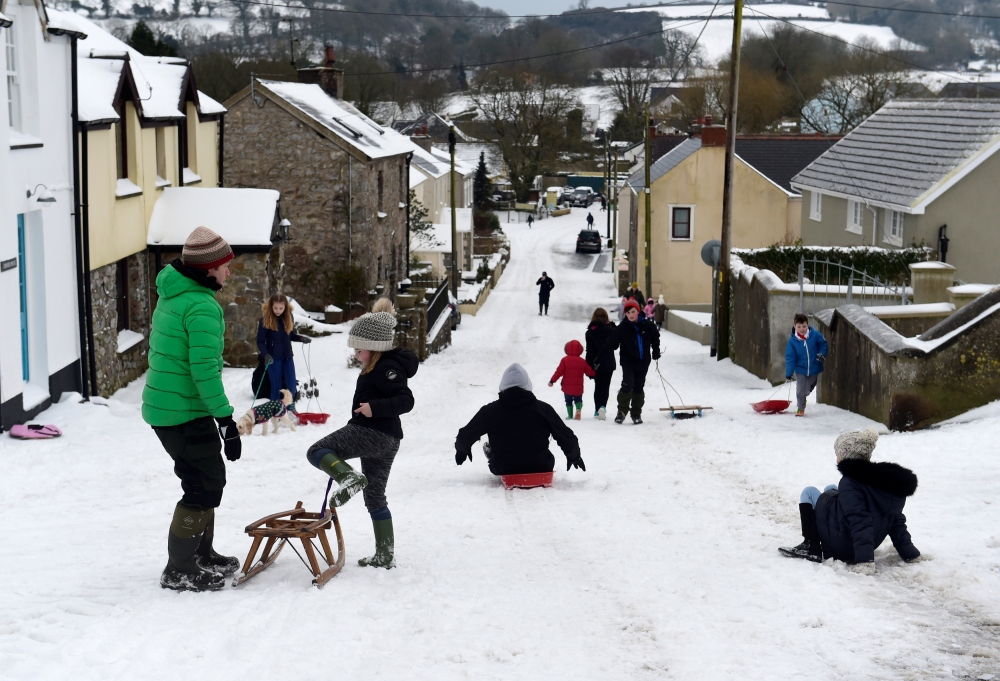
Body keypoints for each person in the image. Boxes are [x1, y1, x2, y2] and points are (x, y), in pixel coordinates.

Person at [142, 226, 242, 592]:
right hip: (182, 411)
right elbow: (204, 370)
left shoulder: (175, 293)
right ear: (207, 269)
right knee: (202, 485)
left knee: (205, 480)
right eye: (224, 266)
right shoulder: (201, 305)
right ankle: (180, 568)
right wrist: (226, 419)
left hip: (171, 408)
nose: (228, 272)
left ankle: (201, 554)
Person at [306, 302, 418, 569]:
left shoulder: (386, 368)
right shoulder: (379, 366)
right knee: (376, 497)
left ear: (376, 347)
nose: (356, 354)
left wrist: (373, 408)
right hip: (387, 441)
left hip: (371, 432)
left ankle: (348, 477)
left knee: (316, 451)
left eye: (359, 349)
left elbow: (406, 400)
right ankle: (384, 555)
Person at [779, 429, 919, 570]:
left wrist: (865, 561)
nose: (836, 459)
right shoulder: (884, 484)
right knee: (831, 488)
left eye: (838, 454)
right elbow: (896, 522)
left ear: (847, 456)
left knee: (809, 492)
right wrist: (910, 554)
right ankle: (817, 543)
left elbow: (860, 520)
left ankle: (811, 546)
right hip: (865, 543)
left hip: (843, 546)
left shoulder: (850, 482)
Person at [455, 364, 585, 475]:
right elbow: (565, 435)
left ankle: (495, 454)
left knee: (492, 447)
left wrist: (462, 450)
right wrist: (574, 456)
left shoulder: (490, 411)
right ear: (527, 385)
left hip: (503, 467)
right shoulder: (543, 409)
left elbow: (466, 434)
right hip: (541, 465)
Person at [604, 299, 660, 425]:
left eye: (633, 311)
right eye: (628, 312)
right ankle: (622, 412)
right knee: (628, 384)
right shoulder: (622, 328)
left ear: (638, 311)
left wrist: (656, 351)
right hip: (628, 361)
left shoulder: (648, 325)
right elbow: (612, 344)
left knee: (639, 386)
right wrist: (611, 332)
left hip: (643, 361)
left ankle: (636, 413)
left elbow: (655, 338)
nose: (630, 314)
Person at [256, 294, 311, 402]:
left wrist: (300, 338)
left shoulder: (288, 317)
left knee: (292, 387)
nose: (278, 311)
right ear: (271, 306)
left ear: (285, 307)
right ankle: (275, 412)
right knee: (277, 387)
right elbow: (260, 342)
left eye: (281, 308)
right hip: (273, 358)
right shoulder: (265, 320)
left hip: (287, 357)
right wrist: (266, 355)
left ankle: (289, 409)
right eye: (275, 308)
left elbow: (290, 335)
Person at [785, 312, 829, 417]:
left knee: (806, 390)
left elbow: (823, 344)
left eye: (804, 326)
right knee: (800, 390)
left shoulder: (815, 335)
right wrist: (789, 373)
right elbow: (790, 357)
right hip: (800, 369)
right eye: (799, 326)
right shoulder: (793, 342)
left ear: (807, 325)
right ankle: (800, 408)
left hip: (814, 367)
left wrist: (821, 354)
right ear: (795, 327)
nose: (802, 329)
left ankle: (806, 393)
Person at [548, 340, 595, 420]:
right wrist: (595, 373)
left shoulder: (564, 360)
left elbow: (559, 372)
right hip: (578, 387)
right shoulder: (582, 361)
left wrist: (552, 381)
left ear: (567, 349)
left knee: (568, 400)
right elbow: (589, 371)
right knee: (578, 399)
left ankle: (570, 415)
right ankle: (578, 409)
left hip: (567, 387)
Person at [585, 308, 616, 420]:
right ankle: (602, 407)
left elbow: (589, 351)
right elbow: (615, 346)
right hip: (609, 362)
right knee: (605, 386)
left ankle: (596, 410)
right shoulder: (611, 329)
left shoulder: (590, 332)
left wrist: (588, 365)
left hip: (596, 364)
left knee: (598, 386)